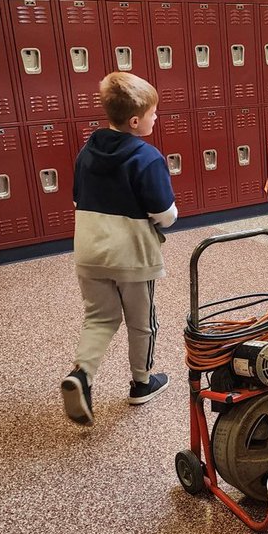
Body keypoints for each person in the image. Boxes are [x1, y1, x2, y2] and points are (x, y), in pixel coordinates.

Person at [61, 72, 178, 426]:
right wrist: (170, 215)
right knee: (142, 322)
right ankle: (142, 384)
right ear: (135, 120)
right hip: (131, 256)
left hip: (89, 251)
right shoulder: (147, 157)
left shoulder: (87, 151)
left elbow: (77, 197)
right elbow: (164, 213)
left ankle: (82, 374)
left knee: (100, 317)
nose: (156, 117)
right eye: (153, 113)